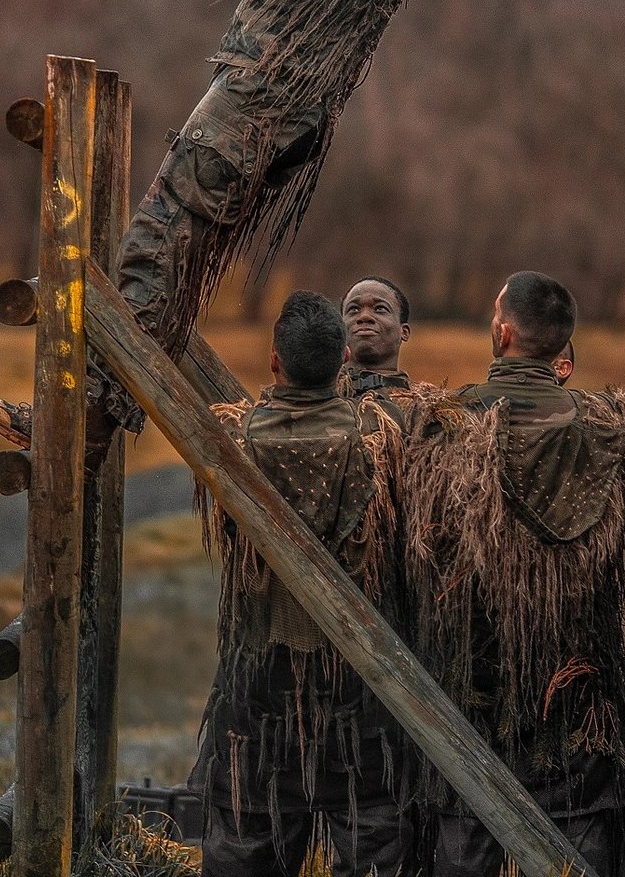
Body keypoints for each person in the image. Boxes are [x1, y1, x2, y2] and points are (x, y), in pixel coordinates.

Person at [0, 0, 481, 472]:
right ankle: (83, 420)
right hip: (280, 115)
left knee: (152, 252)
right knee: (170, 269)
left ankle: (76, 424)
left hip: (257, 106)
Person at [402, 272, 625, 877]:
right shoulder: (607, 425)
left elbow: (424, 551)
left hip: (473, 670)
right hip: (576, 674)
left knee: (467, 828)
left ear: (502, 333)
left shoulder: (447, 423)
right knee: (577, 831)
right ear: (563, 349)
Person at [189, 291, 410, 877]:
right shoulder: (383, 441)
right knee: (372, 843)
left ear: (272, 361)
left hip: (258, 675)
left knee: (245, 837)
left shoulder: (229, 441)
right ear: (343, 361)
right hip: (359, 681)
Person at [339, 275, 413, 398]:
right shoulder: (315, 402)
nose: (364, 316)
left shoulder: (426, 408)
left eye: (380, 308)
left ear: (404, 332)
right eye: (354, 309)